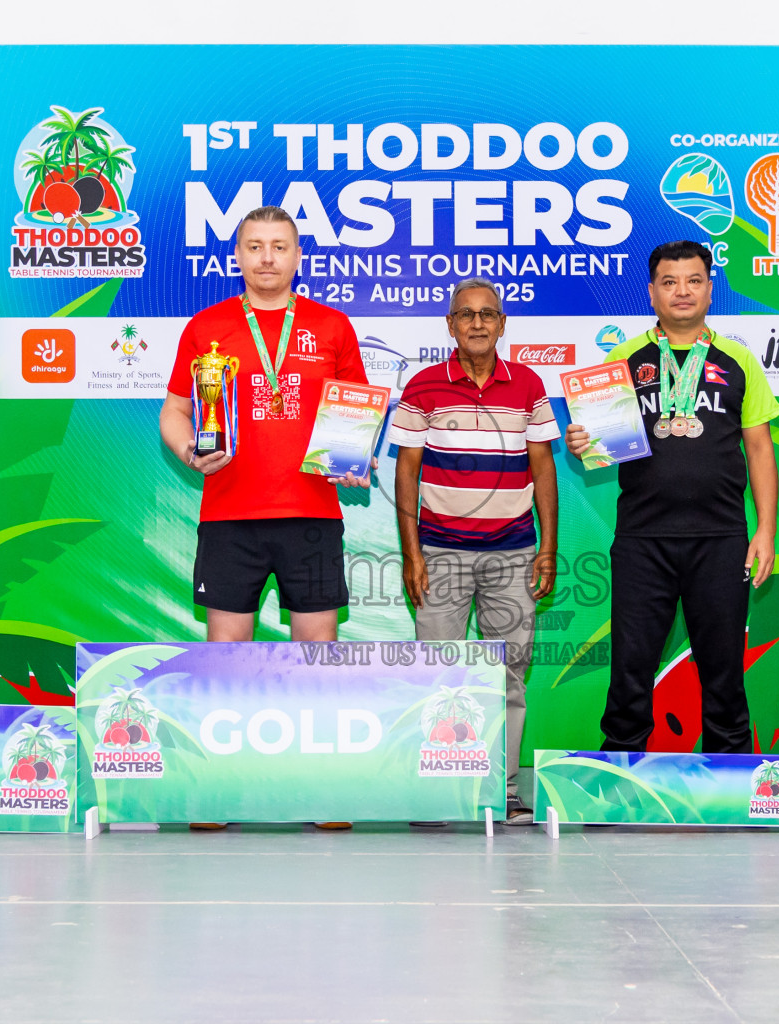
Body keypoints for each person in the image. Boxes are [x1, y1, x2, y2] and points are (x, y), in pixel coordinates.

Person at [159, 206, 370, 829]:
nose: (267, 257)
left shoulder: (331, 327)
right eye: (255, 246)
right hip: (229, 515)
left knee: (317, 657)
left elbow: (355, 413)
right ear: (239, 256)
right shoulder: (208, 326)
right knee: (227, 655)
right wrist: (187, 449)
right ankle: (217, 789)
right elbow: (173, 412)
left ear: (298, 256)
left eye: (279, 246)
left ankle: (321, 792)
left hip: (311, 513)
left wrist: (354, 457)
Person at [565, 240, 779, 753]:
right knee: (630, 670)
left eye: (693, 281)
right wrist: (581, 443)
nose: (682, 291)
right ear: (652, 292)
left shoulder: (738, 358)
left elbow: (759, 448)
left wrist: (766, 531)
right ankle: (618, 774)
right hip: (643, 539)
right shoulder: (624, 357)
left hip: (721, 539)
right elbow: (599, 445)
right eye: (669, 282)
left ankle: (728, 779)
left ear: (710, 288)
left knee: (725, 670)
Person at [391, 277, 560, 825]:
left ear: (503, 323)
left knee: (508, 676)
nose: (479, 322)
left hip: (513, 553)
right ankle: (438, 793)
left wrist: (547, 548)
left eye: (488, 313)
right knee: (438, 676)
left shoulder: (528, 385)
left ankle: (505, 792)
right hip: (439, 553)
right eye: (467, 314)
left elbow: (543, 468)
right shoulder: (422, 387)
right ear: (451, 325)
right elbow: (407, 471)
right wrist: (412, 554)